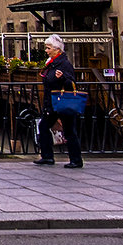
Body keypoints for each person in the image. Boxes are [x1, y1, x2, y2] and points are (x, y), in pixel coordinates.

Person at [35, 34, 83, 169]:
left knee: (69, 131)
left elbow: (71, 83)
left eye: (48, 48)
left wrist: (62, 78)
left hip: (63, 102)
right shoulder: (51, 63)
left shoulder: (64, 64)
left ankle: (76, 160)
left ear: (57, 49)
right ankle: (47, 156)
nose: (46, 50)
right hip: (52, 102)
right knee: (44, 126)